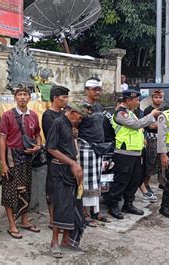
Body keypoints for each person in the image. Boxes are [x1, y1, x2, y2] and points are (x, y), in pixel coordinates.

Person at [104, 89, 161, 219]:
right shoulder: (121, 114)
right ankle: (113, 206)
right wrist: (152, 115)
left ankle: (128, 204)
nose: (138, 102)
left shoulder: (130, 113)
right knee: (121, 181)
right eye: (136, 100)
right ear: (128, 100)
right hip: (124, 153)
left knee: (134, 181)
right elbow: (136, 125)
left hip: (135, 152)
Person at [0, 84, 42, 239]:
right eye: (20, 95)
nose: (23, 97)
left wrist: (37, 146)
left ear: (29, 97)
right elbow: (2, 139)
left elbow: (37, 134)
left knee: (26, 189)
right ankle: (12, 224)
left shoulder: (34, 116)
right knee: (10, 191)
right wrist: (3, 163)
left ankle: (24, 220)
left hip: (27, 156)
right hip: (12, 156)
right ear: (15, 98)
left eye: (25, 94)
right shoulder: (8, 116)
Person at [46, 101, 88, 256]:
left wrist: (75, 164)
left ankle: (67, 239)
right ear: (71, 112)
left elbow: (69, 147)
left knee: (73, 204)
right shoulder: (57, 123)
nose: (80, 120)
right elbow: (50, 148)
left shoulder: (71, 125)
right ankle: (54, 242)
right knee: (60, 205)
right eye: (79, 117)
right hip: (59, 170)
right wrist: (72, 163)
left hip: (71, 170)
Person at [78, 77, 108, 225]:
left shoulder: (98, 107)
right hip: (86, 147)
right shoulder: (81, 107)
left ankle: (95, 210)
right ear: (86, 90)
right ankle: (85, 212)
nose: (97, 92)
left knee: (96, 180)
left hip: (98, 147)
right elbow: (75, 127)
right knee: (87, 181)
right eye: (94, 89)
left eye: (99, 89)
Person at [41, 85, 69, 229]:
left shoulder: (65, 114)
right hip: (55, 157)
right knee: (52, 189)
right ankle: (52, 219)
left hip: (66, 156)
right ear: (55, 98)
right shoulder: (48, 115)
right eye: (64, 97)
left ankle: (62, 218)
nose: (66, 100)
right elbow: (54, 139)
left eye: (66, 97)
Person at [140, 89, 168, 202]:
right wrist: (161, 125)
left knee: (163, 163)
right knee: (151, 163)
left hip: (163, 138)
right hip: (151, 138)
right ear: (152, 98)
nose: (158, 99)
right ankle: (146, 184)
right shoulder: (149, 110)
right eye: (156, 97)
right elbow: (150, 126)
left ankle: (162, 183)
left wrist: (159, 125)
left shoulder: (166, 109)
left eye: (160, 97)